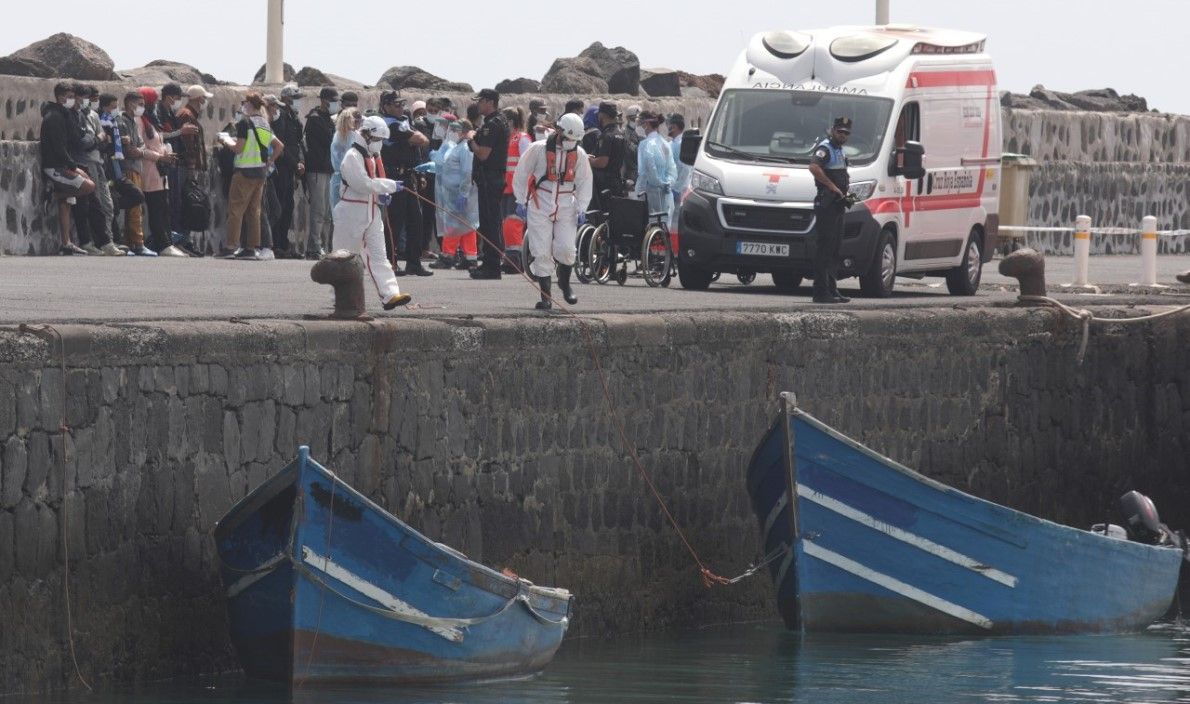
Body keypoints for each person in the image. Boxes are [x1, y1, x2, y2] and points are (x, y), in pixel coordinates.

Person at [512, 112, 592, 311]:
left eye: (574, 140)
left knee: (566, 249)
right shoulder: (537, 149)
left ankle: (564, 283)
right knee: (541, 251)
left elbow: (584, 182)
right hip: (541, 203)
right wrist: (520, 200)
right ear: (559, 131)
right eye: (568, 138)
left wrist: (582, 207)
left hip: (566, 205)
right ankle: (545, 297)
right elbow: (521, 173)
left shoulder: (580, 154)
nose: (570, 143)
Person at [332, 115, 410, 311]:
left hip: (370, 210)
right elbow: (363, 183)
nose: (379, 144)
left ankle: (390, 295)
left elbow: (370, 184)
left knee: (379, 255)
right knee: (344, 257)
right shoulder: (352, 157)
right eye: (377, 140)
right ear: (366, 135)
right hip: (351, 211)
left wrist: (382, 194)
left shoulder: (372, 156)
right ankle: (342, 298)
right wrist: (390, 186)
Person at [218, 92, 283, 259]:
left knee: (236, 210)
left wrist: (225, 141)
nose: (242, 105)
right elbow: (279, 146)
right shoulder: (264, 123)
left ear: (249, 104)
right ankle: (251, 248)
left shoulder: (244, 123)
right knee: (254, 211)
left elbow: (238, 148)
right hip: (260, 173)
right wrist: (269, 162)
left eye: (244, 102)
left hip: (244, 171)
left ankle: (231, 246)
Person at [378, 90, 432, 276]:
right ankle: (391, 262)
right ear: (386, 106)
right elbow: (421, 139)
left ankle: (413, 262)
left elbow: (420, 145)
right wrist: (413, 137)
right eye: (396, 104)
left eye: (402, 104)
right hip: (394, 177)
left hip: (409, 175)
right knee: (394, 221)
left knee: (416, 220)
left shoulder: (402, 122)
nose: (401, 107)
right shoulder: (390, 125)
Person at [39, 82, 95, 255]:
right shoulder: (54, 116)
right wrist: (72, 166)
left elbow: (75, 137)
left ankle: (66, 242)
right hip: (55, 166)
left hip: (63, 164)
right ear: (61, 97)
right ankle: (52, 195)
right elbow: (58, 147)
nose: (73, 100)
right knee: (88, 186)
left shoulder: (63, 115)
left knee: (67, 202)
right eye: (70, 97)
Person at [808, 117, 855, 304]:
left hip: (837, 204)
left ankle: (832, 290)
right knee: (825, 249)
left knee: (835, 249)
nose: (842, 135)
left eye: (846, 133)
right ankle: (820, 292)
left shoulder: (840, 151)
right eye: (839, 131)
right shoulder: (825, 148)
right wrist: (832, 186)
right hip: (826, 203)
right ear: (832, 130)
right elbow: (813, 167)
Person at [68, 84, 118, 255]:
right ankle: (94, 241)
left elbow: (103, 141)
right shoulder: (73, 116)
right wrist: (97, 139)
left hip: (97, 162)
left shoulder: (92, 116)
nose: (86, 102)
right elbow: (83, 144)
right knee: (89, 204)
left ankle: (106, 241)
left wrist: (97, 140)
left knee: (103, 204)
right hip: (83, 163)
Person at [467, 88, 510, 279]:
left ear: (489, 102)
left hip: (490, 178)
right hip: (489, 178)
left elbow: (483, 154)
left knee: (490, 223)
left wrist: (470, 141)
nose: (478, 104)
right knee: (489, 222)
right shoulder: (494, 122)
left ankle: (491, 266)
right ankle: (489, 262)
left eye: (480, 101)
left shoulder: (493, 124)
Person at [425, 119, 479, 270]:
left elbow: (467, 171)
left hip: (460, 193)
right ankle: (470, 257)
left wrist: (464, 193)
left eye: (456, 129)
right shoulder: (458, 147)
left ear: (464, 131)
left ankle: (447, 256)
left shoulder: (466, 148)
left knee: (453, 225)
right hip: (453, 193)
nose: (452, 132)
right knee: (466, 225)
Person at [136, 87, 183, 255]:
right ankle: (163, 244)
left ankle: (167, 242)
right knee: (156, 208)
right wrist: (160, 157)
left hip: (161, 171)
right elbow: (141, 148)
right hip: (149, 170)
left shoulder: (152, 120)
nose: (154, 105)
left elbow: (159, 141)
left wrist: (166, 153)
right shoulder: (139, 121)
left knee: (164, 207)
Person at [116, 91, 158, 256]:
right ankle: (136, 243)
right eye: (140, 104)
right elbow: (129, 151)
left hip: (136, 168)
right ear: (130, 104)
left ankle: (130, 242)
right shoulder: (121, 122)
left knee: (136, 208)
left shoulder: (133, 122)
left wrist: (138, 150)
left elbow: (139, 146)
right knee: (134, 208)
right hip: (127, 168)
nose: (143, 107)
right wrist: (139, 150)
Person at [173, 85, 212, 255]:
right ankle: (181, 240)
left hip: (187, 167)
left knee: (189, 203)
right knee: (186, 203)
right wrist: (191, 169)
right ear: (199, 99)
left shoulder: (189, 115)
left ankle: (184, 240)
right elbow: (188, 145)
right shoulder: (187, 115)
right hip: (184, 167)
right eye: (204, 98)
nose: (205, 102)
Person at [270, 84, 306, 258]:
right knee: (279, 207)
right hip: (281, 168)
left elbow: (296, 143)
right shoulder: (281, 117)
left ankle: (283, 244)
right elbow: (281, 146)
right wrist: (295, 164)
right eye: (296, 99)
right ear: (286, 98)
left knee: (288, 208)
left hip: (290, 168)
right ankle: (276, 244)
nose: (298, 102)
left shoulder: (293, 117)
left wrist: (299, 162)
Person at [304, 87, 339, 259]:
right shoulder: (315, 119)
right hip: (317, 169)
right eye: (332, 100)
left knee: (327, 212)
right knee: (318, 210)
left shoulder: (329, 119)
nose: (335, 104)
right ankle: (314, 247)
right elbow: (329, 140)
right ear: (323, 100)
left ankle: (324, 245)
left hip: (328, 169)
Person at [635, 110, 677, 231]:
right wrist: (667, 183)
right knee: (665, 226)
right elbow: (672, 170)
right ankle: (663, 249)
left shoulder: (645, 144)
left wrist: (658, 183)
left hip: (649, 193)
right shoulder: (666, 143)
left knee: (650, 226)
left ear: (646, 125)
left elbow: (646, 171)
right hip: (666, 194)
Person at [588, 101, 627, 211]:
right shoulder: (620, 134)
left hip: (604, 184)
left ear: (602, 115)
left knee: (602, 215)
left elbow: (602, 162)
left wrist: (588, 159)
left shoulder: (606, 136)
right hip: (617, 181)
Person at [502, 107, 530, 217]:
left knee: (513, 225)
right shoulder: (505, 139)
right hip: (504, 189)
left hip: (516, 191)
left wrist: (523, 196)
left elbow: (528, 167)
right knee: (504, 224)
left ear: (510, 122)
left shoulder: (522, 139)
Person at [667, 113, 691, 205]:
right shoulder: (672, 144)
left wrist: (676, 189)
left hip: (679, 191)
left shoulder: (681, 144)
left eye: (669, 124)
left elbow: (685, 168)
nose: (667, 127)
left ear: (674, 126)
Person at [623, 104, 642, 186]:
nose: (635, 121)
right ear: (627, 118)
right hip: (631, 174)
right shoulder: (626, 133)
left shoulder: (637, 132)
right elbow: (632, 152)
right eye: (633, 118)